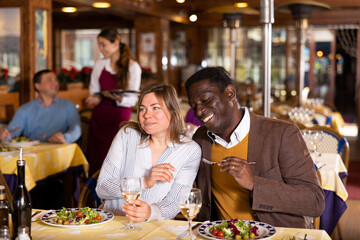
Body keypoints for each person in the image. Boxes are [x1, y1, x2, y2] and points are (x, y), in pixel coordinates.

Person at [185, 67, 325, 228]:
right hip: (221, 234)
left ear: (230, 93)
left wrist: (254, 184)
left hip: (279, 236)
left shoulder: (282, 134)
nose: (199, 111)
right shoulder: (201, 138)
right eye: (193, 106)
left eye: (205, 100)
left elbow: (314, 202)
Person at [96, 83, 201, 222]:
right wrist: (143, 182)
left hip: (152, 228)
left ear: (172, 111)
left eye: (155, 108)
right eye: (142, 109)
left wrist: (150, 212)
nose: (146, 115)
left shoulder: (190, 150)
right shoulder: (127, 135)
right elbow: (102, 188)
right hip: (113, 222)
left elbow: (175, 202)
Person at [85, 28, 141, 176]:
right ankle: (93, 197)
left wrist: (118, 97)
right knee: (96, 158)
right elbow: (95, 91)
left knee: (114, 158)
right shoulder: (99, 65)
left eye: (103, 45)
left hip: (119, 116)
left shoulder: (133, 67)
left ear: (116, 43)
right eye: (99, 45)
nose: (101, 49)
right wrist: (93, 98)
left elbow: (133, 98)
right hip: (99, 116)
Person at [0, 69, 81, 144]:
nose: (55, 83)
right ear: (37, 86)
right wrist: (5, 136)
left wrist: (65, 138)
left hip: (60, 150)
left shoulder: (68, 105)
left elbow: (76, 129)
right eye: (50, 80)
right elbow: (12, 132)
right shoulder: (24, 109)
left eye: (56, 80)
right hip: (34, 152)